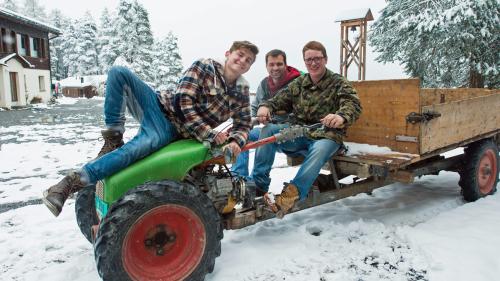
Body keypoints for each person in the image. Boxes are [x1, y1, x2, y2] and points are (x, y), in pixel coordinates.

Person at [42, 40, 259, 217]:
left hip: (174, 132)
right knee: (119, 73)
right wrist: (209, 133)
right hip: (160, 107)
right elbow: (183, 101)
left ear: (249, 66)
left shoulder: (241, 90)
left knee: (139, 148)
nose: (242, 61)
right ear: (228, 53)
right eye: (239, 55)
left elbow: (243, 124)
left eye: (248, 60)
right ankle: (112, 140)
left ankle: (73, 180)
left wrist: (235, 142)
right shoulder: (205, 66)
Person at [253, 41, 362, 217]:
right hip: (301, 133)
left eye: (317, 58)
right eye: (309, 59)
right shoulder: (299, 83)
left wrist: (340, 116)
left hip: (327, 135)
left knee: (319, 149)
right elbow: (279, 99)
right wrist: (265, 106)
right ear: (304, 62)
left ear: (325, 59)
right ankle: (258, 186)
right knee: (268, 130)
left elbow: (353, 104)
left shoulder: (338, 82)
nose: (313, 63)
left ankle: (291, 195)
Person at [231, 49, 300, 180]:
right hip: (270, 131)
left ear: (286, 65)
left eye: (279, 64)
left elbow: (303, 114)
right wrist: (251, 120)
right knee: (240, 134)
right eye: (271, 64)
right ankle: (238, 178)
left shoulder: (298, 82)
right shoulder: (264, 84)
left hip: (293, 132)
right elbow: (254, 108)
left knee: (267, 131)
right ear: (266, 66)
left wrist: (275, 117)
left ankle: (257, 181)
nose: (275, 68)